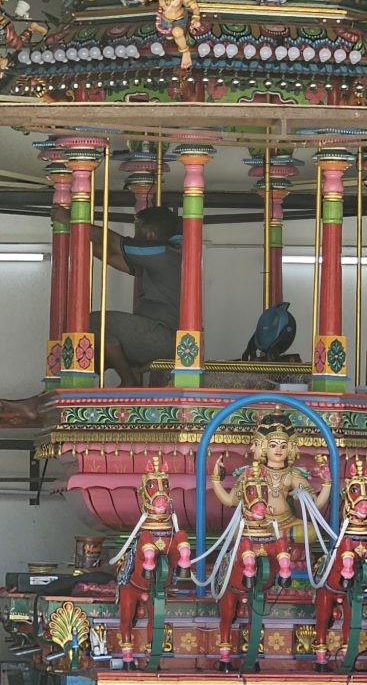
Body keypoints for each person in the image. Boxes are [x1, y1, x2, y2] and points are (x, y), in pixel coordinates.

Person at [52, 202, 182, 387]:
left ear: (150, 235)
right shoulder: (157, 258)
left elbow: (113, 242)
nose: (134, 237)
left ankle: (129, 381)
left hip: (164, 338)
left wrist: (73, 221)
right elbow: (108, 254)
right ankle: (72, 386)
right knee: (90, 343)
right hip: (153, 335)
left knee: (97, 323)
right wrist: (76, 233)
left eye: (137, 231)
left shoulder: (162, 252)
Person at [211, 412, 331, 542]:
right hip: (259, 523)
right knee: (238, 532)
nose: (278, 450)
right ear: (263, 447)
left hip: (286, 522)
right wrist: (216, 479)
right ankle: (274, 539)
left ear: (289, 448)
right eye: (273, 445)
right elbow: (230, 501)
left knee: (310, 531)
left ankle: (272, 538)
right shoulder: (252, 473)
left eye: (283, 446)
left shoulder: (292, 473)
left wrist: (327, 482)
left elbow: (315, 505)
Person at [135, 0, 201, 70]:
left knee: (177, 33)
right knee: (169, 38)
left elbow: (195, 7)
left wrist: (196, 18)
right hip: (165, 21)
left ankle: (185, 52)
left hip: (179, 20)